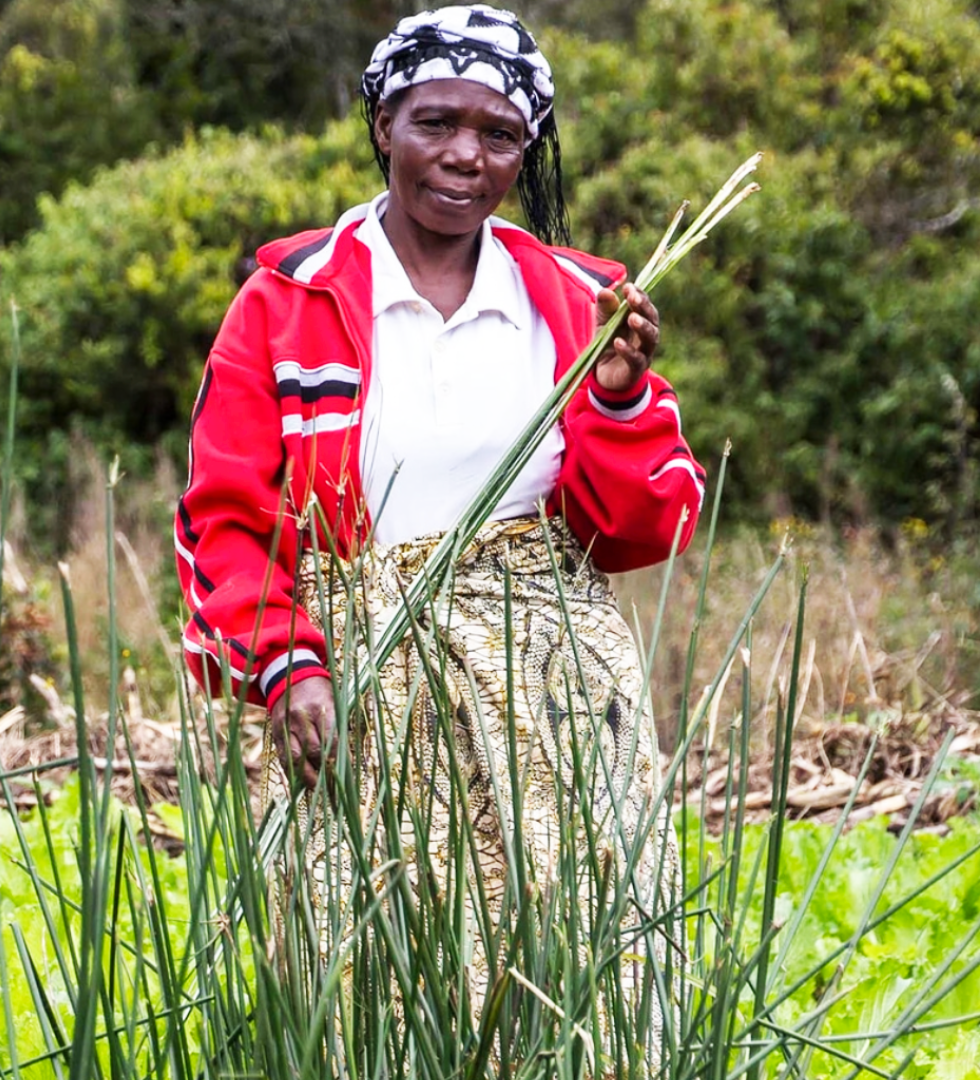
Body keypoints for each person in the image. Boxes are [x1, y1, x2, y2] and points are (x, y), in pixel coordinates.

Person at [175, 1, 704, 1060]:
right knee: (366, 974)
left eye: (500, 134)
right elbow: (225, 519)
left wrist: (612, 396)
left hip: (548, 678)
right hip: (356, 685)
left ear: (527, 149)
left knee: (576, 971)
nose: (466, 155)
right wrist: (287, 665)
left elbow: (644, 527)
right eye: (435, 122)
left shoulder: (577, 297)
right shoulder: (289, 300)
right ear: (383, 124)